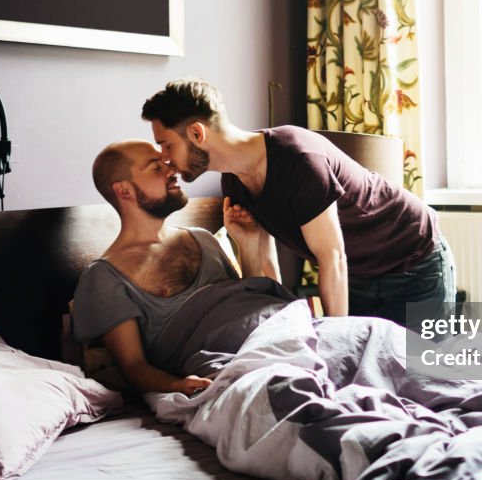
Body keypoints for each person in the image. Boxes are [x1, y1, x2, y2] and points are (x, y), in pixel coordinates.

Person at [141, 77, 456, 328]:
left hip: (413, 261)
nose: (165, 159)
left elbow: (332, 255)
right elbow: (267, 278)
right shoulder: (234, 180)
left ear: (197, 133)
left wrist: (338, 346)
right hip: (359, 275)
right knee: (374, 377)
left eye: (166, 145)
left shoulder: (297, 158)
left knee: (427, 378)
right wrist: (247, 242)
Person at [71, 139, 298, 396]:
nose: (173, 170)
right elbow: (133, 366)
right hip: (235, 365)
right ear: (124, 191)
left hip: (282, 332)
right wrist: (177, 385)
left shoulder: (202, 238)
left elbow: (247, 304)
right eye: (156, 167)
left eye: (167, 163)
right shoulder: (105, 276)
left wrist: (246, 244)